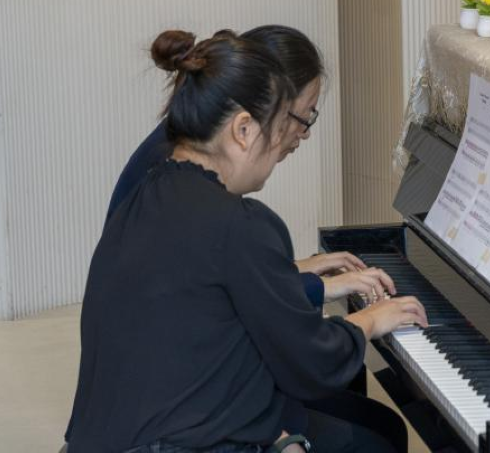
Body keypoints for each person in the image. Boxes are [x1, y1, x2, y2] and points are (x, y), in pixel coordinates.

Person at [64, 29, 427, 453]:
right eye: (284, 125)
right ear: (242, 129)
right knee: (372, 442)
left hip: (108, 435)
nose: (289, 141)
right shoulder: (240, 224)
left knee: (370, 429)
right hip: (172, 441)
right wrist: (370, 321)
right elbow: (313, 363)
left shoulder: (148, 189)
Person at [106, 25, 384, 310]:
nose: (305, 133)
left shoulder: (181, 151)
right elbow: (209, 299)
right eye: (304, 116)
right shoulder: (184, 176)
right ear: (268, 103)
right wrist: (344, 304)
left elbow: (212, 275)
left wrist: (293, 271)